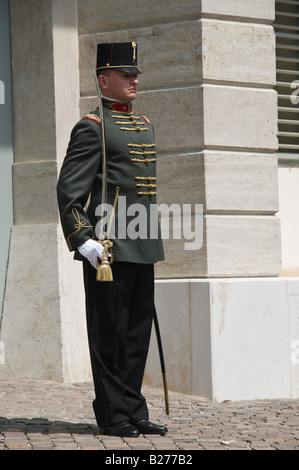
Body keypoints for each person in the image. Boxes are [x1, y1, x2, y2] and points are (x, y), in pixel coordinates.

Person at [56, 42, 167, 437]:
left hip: (142, 243)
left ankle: (134, 409)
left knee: (136, 334)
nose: (134, 79)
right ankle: (113, 413)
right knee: (110, 335)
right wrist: (83, 239)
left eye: (135, 74)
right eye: (125, 75)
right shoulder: (92, 127)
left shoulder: (145, 125)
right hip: (108, 248)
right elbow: (70, 191)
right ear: (104, 80)